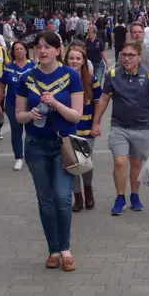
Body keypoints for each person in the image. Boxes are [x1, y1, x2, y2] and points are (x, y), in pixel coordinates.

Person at [15, 32, 84, 272]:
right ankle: (53, 249)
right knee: (45, 200)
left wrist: (55, 103)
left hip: (63, 144)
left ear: (58, 50)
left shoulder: (71, 76)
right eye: (38, 47)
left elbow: (76, 115)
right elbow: (18, 115)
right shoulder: (26, 79)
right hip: (36, 145)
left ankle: (65, 248)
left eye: (47, 47)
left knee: (63, 197)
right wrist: (30, 115)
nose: (42, 51)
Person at [91, 41, 149, 216]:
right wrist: (96, 122)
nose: (126, 59)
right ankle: (120, 197)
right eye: (123, 55)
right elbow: (103, 100)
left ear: (139, 57)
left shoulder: (148, 76)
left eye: (131, 55)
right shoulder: (112, 75)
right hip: (119, 127)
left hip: (141, 127)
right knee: (120, 161)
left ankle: (134, 195)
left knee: (136, 163)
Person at [66, 44, 102, 211]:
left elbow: (99, 102)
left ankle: (88, 191)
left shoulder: (91, 79)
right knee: (72, 164)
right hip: (67, 130)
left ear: (83, 61)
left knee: (86, 163)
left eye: (78, 58)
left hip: (86, 128)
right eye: (71, 58)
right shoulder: (61, 78)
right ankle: (77, 197)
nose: (74, 61)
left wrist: (96, 123)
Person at [0, 41, 35, 171]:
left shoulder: (33, 66)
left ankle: (31, 156)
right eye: (16, 49)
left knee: (31, 132)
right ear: (12, 52)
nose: (19, 51)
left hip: (30, 105)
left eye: (21, 49)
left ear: (25, 51)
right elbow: (1, 86)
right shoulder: (8, 67)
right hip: (13, 104)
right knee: (16, 131)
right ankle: (18, 157)